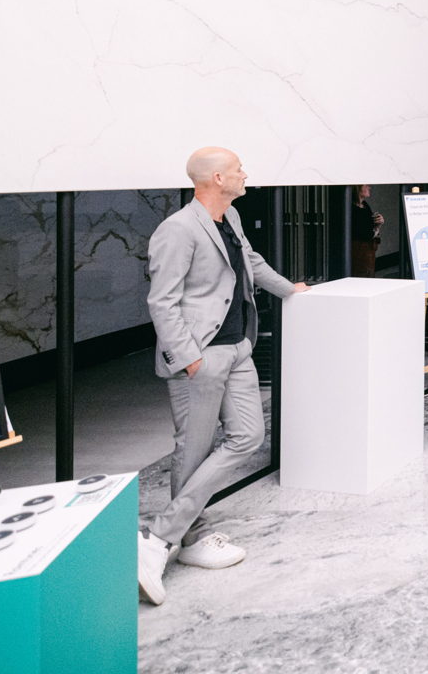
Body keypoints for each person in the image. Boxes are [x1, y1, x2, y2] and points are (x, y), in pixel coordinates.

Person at [138, 147, 308, 607]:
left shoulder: (229, 217)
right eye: (237, 170)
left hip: (238, 348)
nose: (244, 174)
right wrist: (188, 358)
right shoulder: (177, 229)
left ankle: (159, 536)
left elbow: (251, 263)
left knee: (248, 435)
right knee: (192, 451)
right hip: (201, 355)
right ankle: (182, 540)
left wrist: (291, 290)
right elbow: (162, 301)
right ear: (216, 178)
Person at [350, 185, 384, 277]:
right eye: (366, 185)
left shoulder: (365, 205)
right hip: (357, 252)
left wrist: (378, 223)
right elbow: (365, 233)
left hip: (367, 252)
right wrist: (376, 230)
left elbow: (369, 228)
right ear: (357, 188)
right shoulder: (351, 208)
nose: (369, 187)